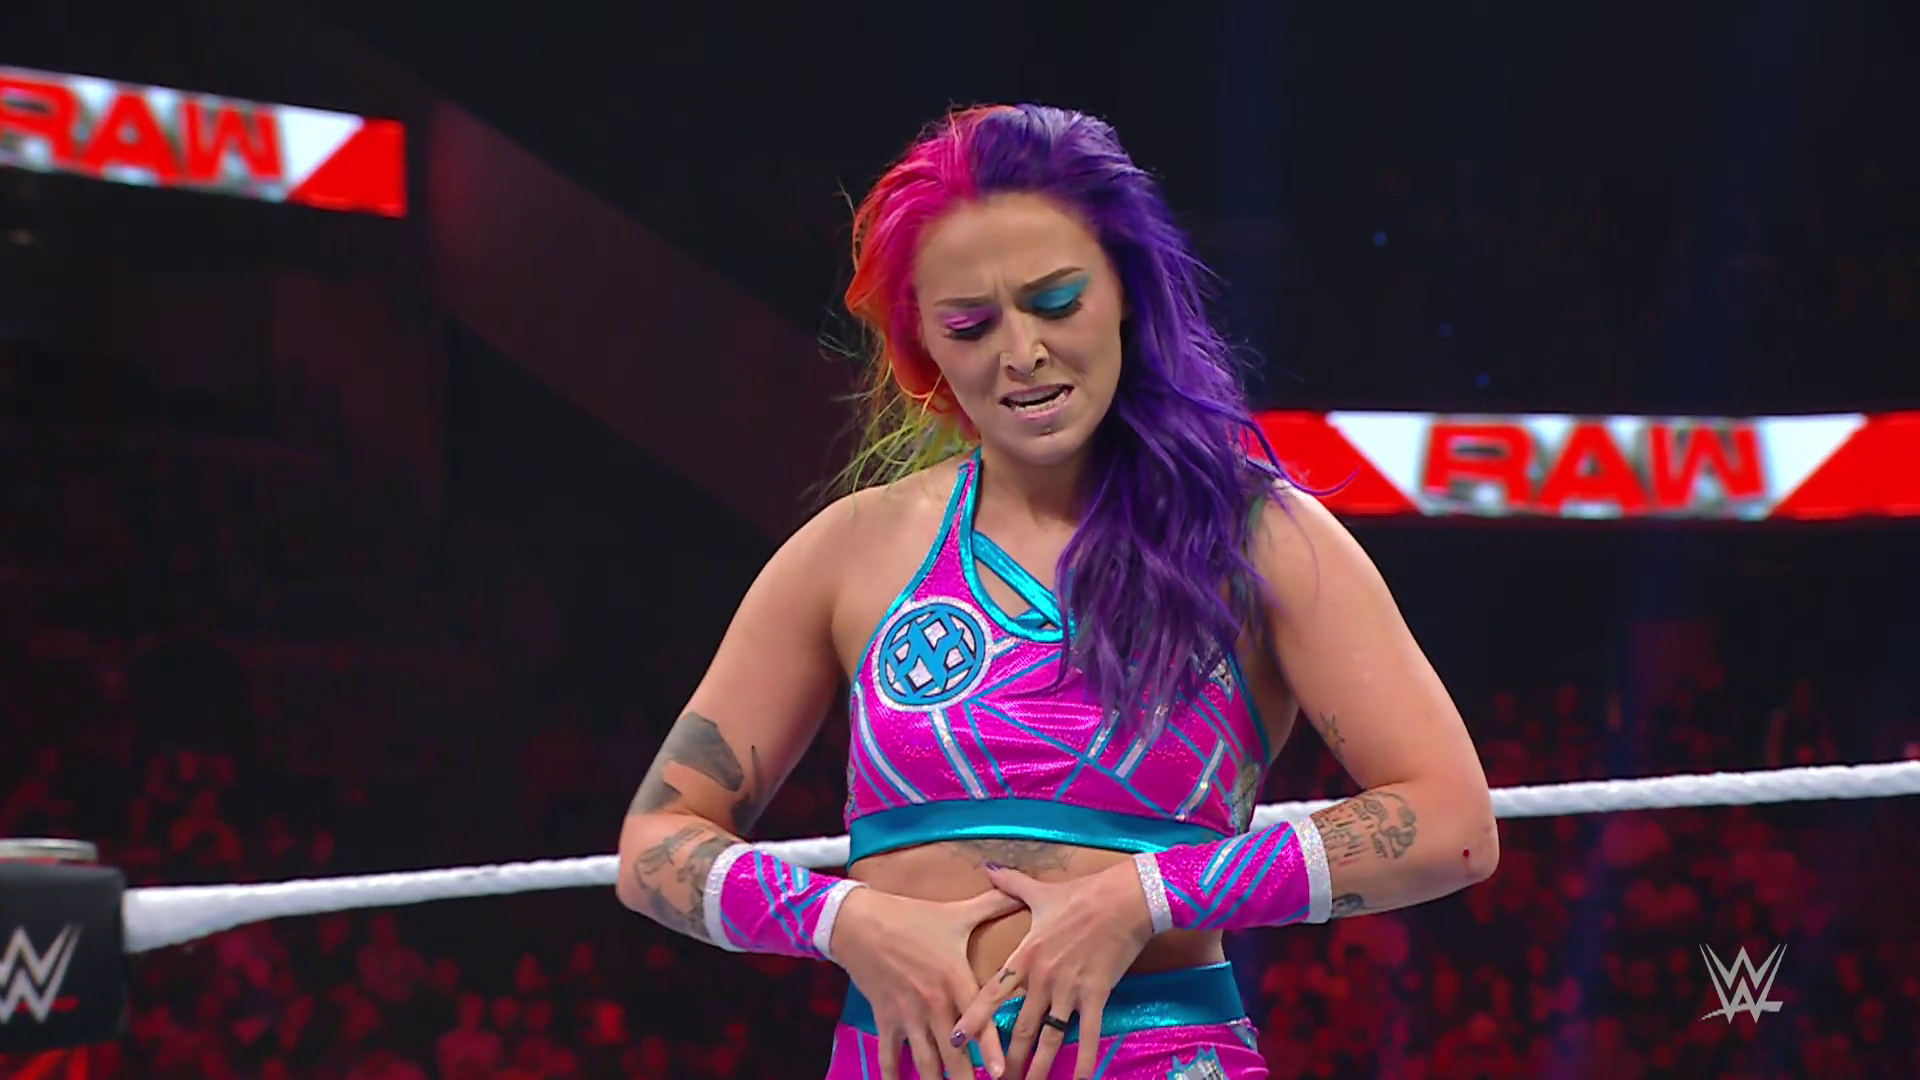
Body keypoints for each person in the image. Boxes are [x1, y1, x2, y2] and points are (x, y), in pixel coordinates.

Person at [616, 103, 1497, 1080]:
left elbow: (1451, 825)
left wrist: (1142, 898)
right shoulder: (851, 550)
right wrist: (843, 918)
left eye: (1056, 302)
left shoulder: (1260, 538)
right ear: (924, 344)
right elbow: (655, 844)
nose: (1021, 353)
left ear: (1127, 295)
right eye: (971, 324)